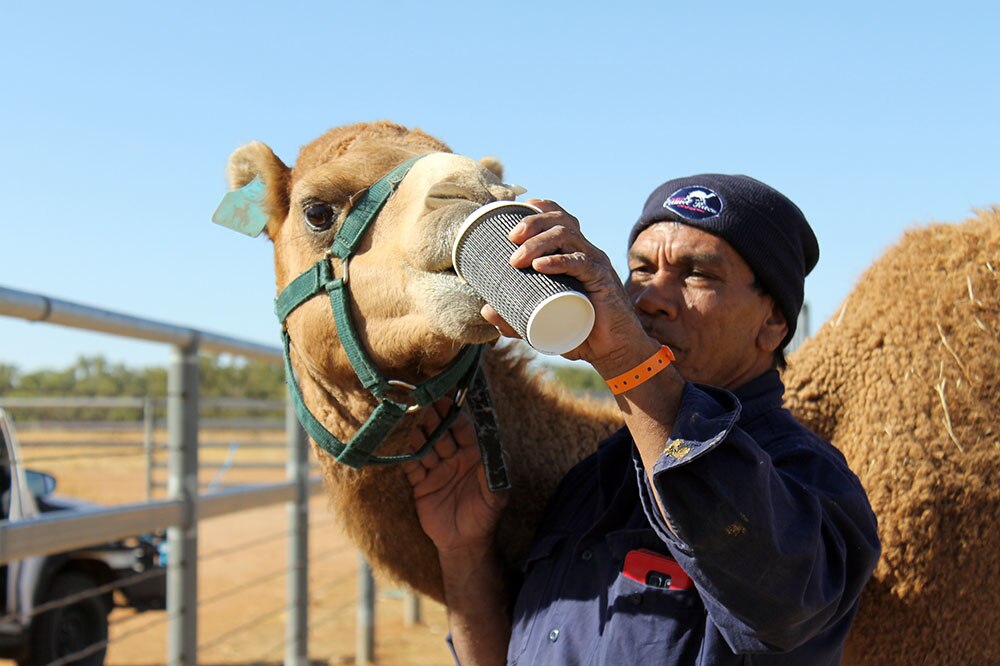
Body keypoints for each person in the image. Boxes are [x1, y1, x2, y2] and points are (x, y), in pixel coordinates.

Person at [403, 174, 881, 666]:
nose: (650, 298)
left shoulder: (810, 480)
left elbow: (780, 605)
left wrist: (627, 360)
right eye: (641, 269)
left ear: (774, 322)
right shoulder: (594, 479)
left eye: (697, 274)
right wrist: (463, 551)